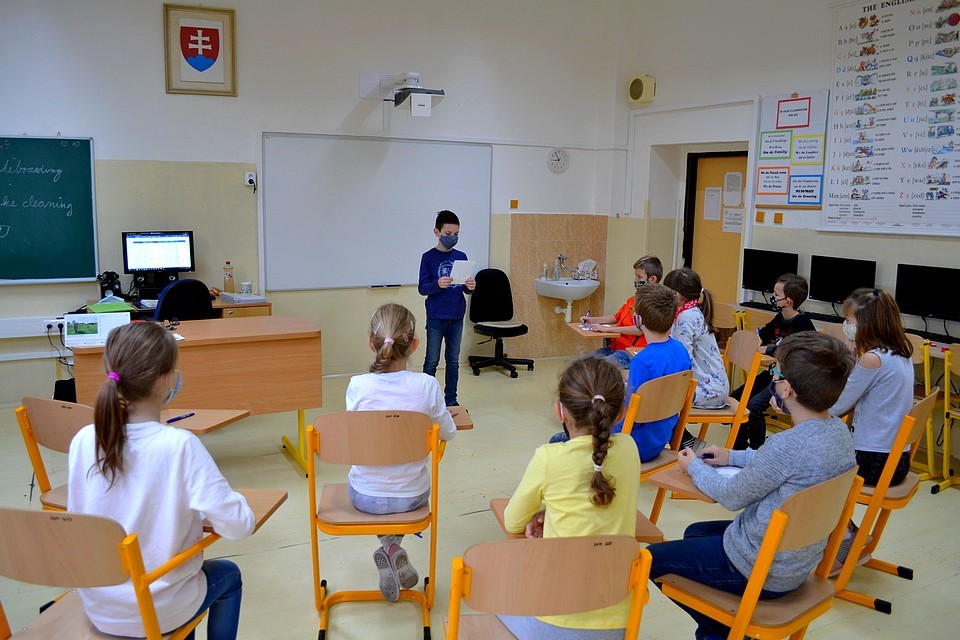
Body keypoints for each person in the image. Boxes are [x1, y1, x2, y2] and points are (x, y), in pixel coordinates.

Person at [647, 332, 856, 640]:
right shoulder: (838, 432)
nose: (773, 379)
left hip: (761, 569)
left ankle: (721, 633)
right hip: (798, 560)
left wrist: (694, 467)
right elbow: (779, 461)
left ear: (787, 389)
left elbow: (732, 496)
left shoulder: (788, 445)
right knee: (696, 532)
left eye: (776, 373)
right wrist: (731, 456)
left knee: (651, 559)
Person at [68, 322, 255, 640]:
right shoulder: (179, 445)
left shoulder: (85, 438)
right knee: (229, 576)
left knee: (179, 581)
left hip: (100, 606)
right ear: (167, 378)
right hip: (158, 610)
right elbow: (239, 527)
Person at [502, 357, 640, 640]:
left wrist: (545, 509)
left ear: (560, 411)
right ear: (621, 413)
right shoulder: (630, 449)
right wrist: (552, 511)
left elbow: (513, 522)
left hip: (553, 624)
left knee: (498, 592)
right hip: (619, 625)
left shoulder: (549, 458)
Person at [345, 303, 458, 602]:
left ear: (371, 343)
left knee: (379, 489)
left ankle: (389, 548)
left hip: (364, 496)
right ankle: (393, 547)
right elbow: (448, 433)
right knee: (403, 490)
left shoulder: (358, 386)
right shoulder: (427, 385)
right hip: (412, 496)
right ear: (415, 345)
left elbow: (356, 434)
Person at [828, 288, 913, 568]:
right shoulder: (901, 354)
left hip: (873, 461)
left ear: (867, 325)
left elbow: (838, 406)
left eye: (850, 321)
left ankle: (846, 536)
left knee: (814, 469)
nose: (846, 326)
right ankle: (851, 534)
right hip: (897, 460)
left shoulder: (872, 359)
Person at [729, 273, 816, 450]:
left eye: (776, 294)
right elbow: (762, 335)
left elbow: (796, 354)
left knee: (753, 407)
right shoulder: (779, 318)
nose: (773, 297)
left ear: (788, 301)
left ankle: (757, 451)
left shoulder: (803, 324)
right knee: (736, 399)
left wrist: (769, 350)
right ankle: (738, 449)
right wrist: (756, 341)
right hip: (774, 373)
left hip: (789, 380)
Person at [614, 282, 692, 461]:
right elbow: (688, 395)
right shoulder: (680, 351)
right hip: (659, 441)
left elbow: (629, 413)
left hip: (631, 446)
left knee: (564, 437)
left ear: (638, 320)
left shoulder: (642, 361)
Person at [662, 268, 729, 450]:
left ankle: (684, 444)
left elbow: (683, 360)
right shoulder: (687, 313)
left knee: (658, 398)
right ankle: (686, 442)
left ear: (677, 295)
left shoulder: (687, 317)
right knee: (657, 395)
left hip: (709, 390)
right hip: (707, 385)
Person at [418, 209, 476, 406]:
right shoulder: (428, 257)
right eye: (448, 234)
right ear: (437, 232)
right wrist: (437, 284)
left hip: (456, 315)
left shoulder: (461, 256)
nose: (453, 237)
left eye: (456, 234)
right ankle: (426, 401)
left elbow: (464, 287)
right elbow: (422, 288)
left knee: (453, 360)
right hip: (436, 316)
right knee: (431, 360)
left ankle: (451, 399)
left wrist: (470, 287)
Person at [579, 255, 663, 369]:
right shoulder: (633, 299)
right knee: (582, 363)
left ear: (652, 279)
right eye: (635, 276)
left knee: (600, 369)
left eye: (639, 277)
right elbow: (617, 317)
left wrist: (607, 329)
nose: (635, 280)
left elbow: (639, 329)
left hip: (629, 352)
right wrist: (592, 320)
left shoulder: (653, 303)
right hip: (615, 347)